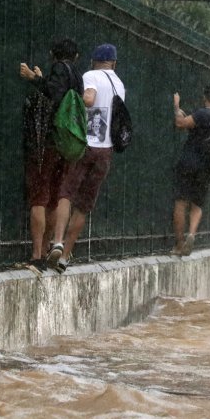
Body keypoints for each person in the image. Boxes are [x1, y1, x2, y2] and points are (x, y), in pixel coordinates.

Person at [46, 43, 125, 273]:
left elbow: (89, 99)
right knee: (84, 205)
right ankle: (66, 256)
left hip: (85, 146)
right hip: (106, 151)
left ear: (93, 60)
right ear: (114, 63)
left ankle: (57, 241)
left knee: (66, 193)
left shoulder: (90, 76)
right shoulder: (119, 84)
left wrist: (75, 99)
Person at [19, 37, 83, 276]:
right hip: (67, 145)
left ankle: (36, 256)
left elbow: (54, 94)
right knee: (55, 198)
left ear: (52, 53)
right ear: (75, 57)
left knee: (39, 196)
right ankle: (49, 250)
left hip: (48, 142)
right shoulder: (77, 75)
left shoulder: (59, 69)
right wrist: (43, 78)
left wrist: (33, 78)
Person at [171, 86, 210, 256]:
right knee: (197, 204)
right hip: (206, 166)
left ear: (205, 98)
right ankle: (192, 234)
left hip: (189, 162)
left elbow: (180, 123)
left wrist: (177, 107)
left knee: (181, 202)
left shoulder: (203, 114)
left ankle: (179, 244)